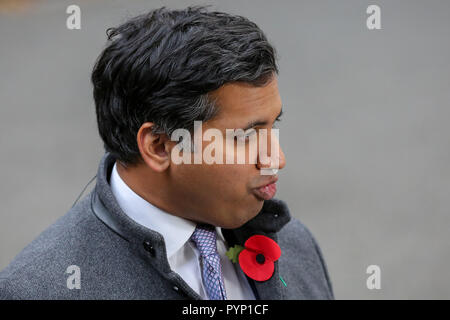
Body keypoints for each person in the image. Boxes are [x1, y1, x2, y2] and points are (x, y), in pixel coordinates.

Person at [0, 6, 334, 300]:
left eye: (273, 126)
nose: (276, 158)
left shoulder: (295, 247)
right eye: (246, 136)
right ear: (160, 146)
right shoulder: (41, 289)